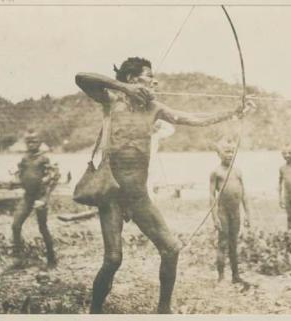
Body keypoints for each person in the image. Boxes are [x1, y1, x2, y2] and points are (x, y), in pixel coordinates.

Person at [75, 56, 252, 314]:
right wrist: (124, 88)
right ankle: (94, 311)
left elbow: (191, 118)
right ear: (133, 79)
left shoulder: (154, 108)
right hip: (111, 194)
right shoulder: (111, 101)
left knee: (171, 249)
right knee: (113, 260)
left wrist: (232, 113)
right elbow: (81, 77)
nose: (154, 80)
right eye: (148, 76)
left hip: (138, 197)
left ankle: (163, 310)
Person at [11, 130, 60, 268]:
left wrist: (45, 198)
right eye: (28, 141)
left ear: (40, 143)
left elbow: (54, 178)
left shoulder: (45, 159)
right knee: (15, 225)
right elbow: (19, 174)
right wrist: (16, 179)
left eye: (34, 141)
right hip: (28, 196)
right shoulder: (24, 158)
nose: (31, 144)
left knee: (43, 227)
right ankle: (18, 258)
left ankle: (51, 258)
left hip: (40, 197)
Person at [210, 138, 251, 283]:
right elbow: (211, 196)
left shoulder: (238, 171)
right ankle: (221, 276)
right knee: (223, 242)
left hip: (236, 212)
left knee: (234, 243)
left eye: (232, 152)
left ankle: (235, 275)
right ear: (219, 153)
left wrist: (247, 214)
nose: (230, 155)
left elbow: (243, 193)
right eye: (227, 151)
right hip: (223, 212)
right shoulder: (216, 172)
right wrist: (214, 218)